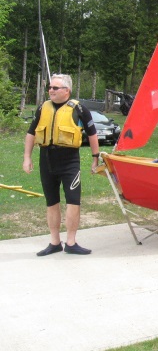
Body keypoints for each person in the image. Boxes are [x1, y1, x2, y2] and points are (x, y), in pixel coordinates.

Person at [23, 74, 101, 256]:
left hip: (69, 162)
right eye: (50, 87)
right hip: (47, 160)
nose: (51, 90)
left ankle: (71, 242)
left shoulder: (79, 109)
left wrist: (95, 158)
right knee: (51, 202)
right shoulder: (43, 108)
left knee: (73, 201)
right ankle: (54, 242)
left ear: (67, 91)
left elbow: (92, 134)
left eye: (55, 88)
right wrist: (27, 157)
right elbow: (31, 133)